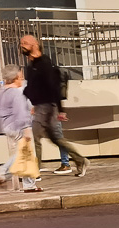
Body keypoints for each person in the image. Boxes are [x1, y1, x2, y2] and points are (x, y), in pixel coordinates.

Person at [19, 34, 89, 177]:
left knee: (45, 138)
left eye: (25, 43)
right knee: (45, 139)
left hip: (48, 107)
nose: (22, 46)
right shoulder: (31, 66)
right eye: (21, 43)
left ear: (35, 44)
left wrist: (60, 110)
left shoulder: (44, 63)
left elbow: (53, 87)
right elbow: (32, 88)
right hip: (40, 107)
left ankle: (36, 172)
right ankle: (79, 160)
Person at [0, 65, 40, 193]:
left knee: (23, 153)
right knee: (26, 154)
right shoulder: (16, 93)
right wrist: (26, 129)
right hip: (18, 126)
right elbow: (21, 113)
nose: (22, 80)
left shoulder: (2, 91)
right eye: (20, 77)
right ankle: (3, 173)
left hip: (7, 126)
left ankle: (26, 183)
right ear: (15, 78)